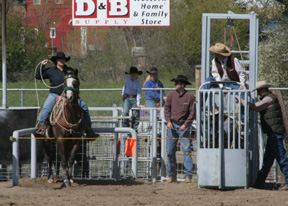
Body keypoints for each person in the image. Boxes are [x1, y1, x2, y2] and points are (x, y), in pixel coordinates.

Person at [34, 52, 98, 138]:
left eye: (63, 59)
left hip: (69, 94)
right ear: (56, 61)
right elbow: (38, 76)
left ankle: (89, 130)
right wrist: (42, 65)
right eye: (60, 59)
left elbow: (76, 82)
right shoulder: (51, 71)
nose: (62, 61)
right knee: (46, 109)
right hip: (55, 94)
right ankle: (42, 128)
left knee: (84, 107)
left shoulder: (70, 71)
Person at [239, 80, 288, 190]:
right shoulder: (270, 97)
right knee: (269, 159)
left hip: (274, 133)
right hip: (273, 133)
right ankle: (259, 182)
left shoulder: (268, 99)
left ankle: (286, 182)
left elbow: (255, 107)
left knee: (281, 158)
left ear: (261, 90)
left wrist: (241, 100)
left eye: (258, 91)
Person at [164, 75, 196, 183]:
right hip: (172, 125)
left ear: (182, 85)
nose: (175, 85)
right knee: (169, 151)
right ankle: (171, 175)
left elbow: (192, 113)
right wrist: (168, 121)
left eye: (177, 83)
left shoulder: (190, 97)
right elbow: (166, 108)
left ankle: (188, 176)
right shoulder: (171, 95)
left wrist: (185, 125)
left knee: (186, 150)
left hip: (183, 126)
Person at [122, 66, 142, 131]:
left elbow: (139, 93)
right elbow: (124, 87)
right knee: (125, 112)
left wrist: (138, 103)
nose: (133, 75)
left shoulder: (138, 83)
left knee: (135, 114)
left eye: (134, 74)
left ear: (137, 74)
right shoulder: (127, 80)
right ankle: (126, 128)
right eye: (132, 74)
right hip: (127, 97)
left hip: (134, 98)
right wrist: (123, 94)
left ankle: (134, 129)